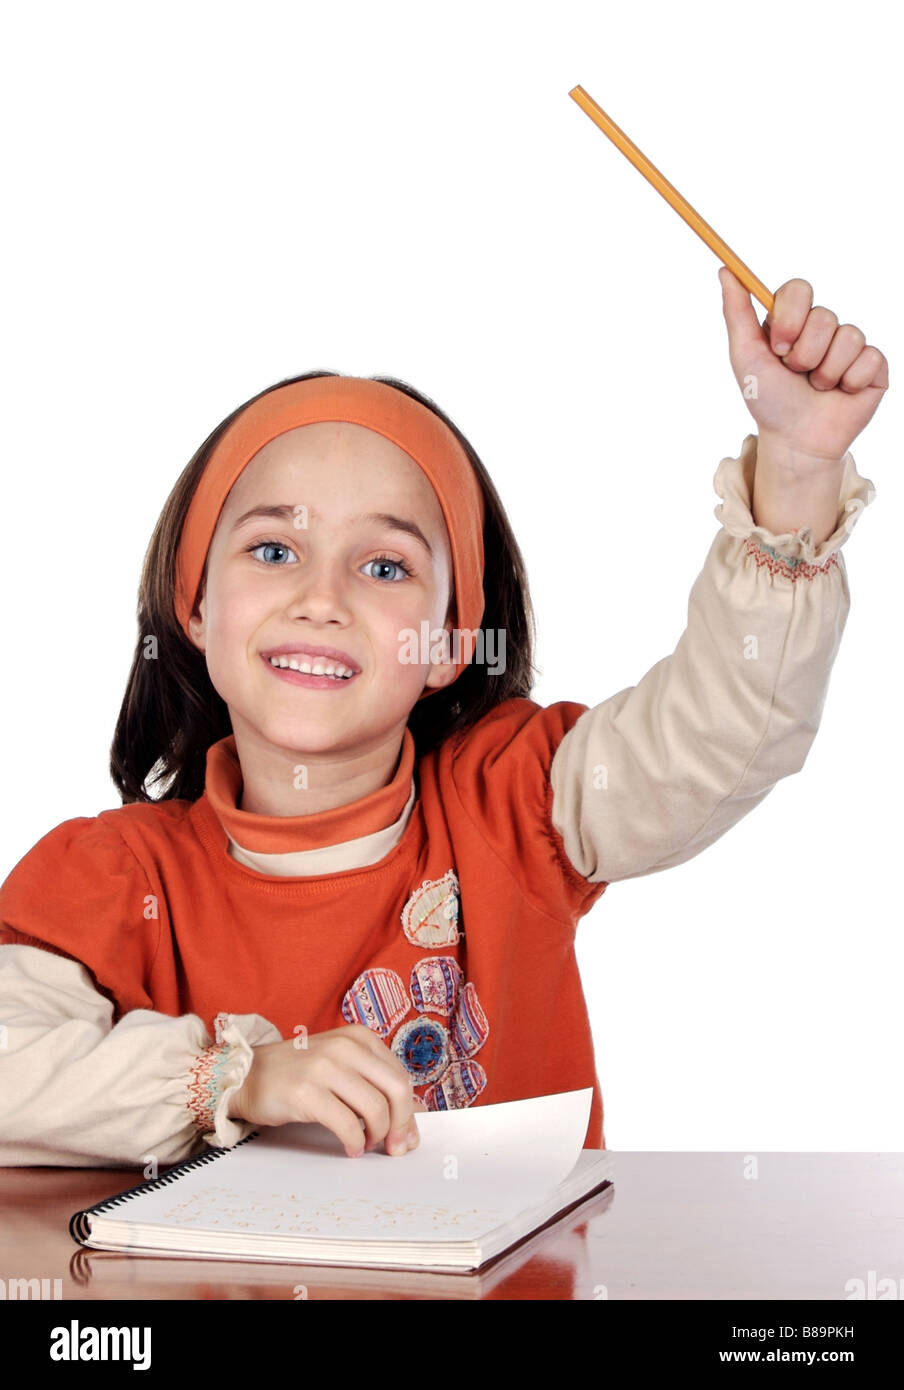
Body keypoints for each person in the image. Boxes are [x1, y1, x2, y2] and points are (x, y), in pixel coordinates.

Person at [0, 269, 886, 1169]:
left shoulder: (518, 805)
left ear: (452, 644)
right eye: (274, 550)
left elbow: (725, 732)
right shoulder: (108, 879)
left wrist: (799, 471)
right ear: (195, 606)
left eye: (385, 568)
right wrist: (236, 1079)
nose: (322, 598)